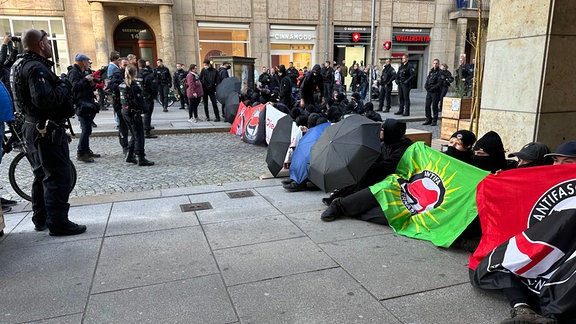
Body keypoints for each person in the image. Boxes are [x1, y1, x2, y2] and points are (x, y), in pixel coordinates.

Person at [11, 29, 86, 235]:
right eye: (47, 41)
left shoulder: (20, 64)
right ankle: (58, 222)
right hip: (43, 129)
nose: (50, 44)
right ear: (41, 44)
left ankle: (41, 217)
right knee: (57, 176)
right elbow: (44, 100)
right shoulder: (36, 68)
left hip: (33, 126)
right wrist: (64, 85)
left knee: (41, 174)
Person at [321, 119, 413, 221]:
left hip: (394, 181)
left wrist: (366, 164)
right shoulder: (387, 143)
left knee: (370, 182)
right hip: (380, 175)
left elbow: (386, 167)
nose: (380, 132)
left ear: (391, 132)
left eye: (383, 130)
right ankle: (343, 194)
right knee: (363, 171)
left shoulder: (403, 149)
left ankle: (340, 206)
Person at [119, 64, 154, 166]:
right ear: (135, 73)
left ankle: (130, 155)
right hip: (133, 113)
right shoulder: (133, 86)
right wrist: (144, 109)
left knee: (134, 135)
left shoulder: (123, 84)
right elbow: (139, 102)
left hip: (125, 112)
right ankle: (140, 157)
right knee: (139, 135)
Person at [68, 54, 101, 163]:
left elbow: (86, 87)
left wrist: (91, 83)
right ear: (81, 62)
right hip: (81, 104)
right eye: (87, 61)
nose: (88, 64)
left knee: (88, 129)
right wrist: (85, 80)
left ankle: (86, 150)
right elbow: (74, 88)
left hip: (88, 103)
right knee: (85, 129)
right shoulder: (74, 72)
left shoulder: (83, 72)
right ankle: (81, 153)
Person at [107, 57, 131, 156]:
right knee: (123, 127)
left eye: (127, 65)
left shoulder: (130, 73)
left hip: (130, 103)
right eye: (124, 65)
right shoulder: (117, 74)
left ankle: (133, 146)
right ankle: (125, 146)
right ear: (120, 65)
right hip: (120, 103)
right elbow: (112, 87)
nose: (126, 67)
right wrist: (123, 85)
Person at [137, 59, 158, 138]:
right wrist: (155, 95)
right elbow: (154, 86)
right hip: (148, 96)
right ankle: (147, 131)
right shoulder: (148, 74)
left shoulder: (137, 74)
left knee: (143, 113)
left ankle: (145, 127)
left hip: (140, 96)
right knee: (148, 113)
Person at [422, 58, 442, 126]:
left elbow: (439, 83)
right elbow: (428, 80)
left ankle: (434, 120)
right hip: (429, 91)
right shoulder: (431, 71)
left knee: (434, 106)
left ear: (438, 64)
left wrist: (433, 88)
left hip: (435, 92)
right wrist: (426, 86)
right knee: (427, 106)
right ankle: (428, 119)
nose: (435, 64)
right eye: (434, 63)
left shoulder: (440, 72)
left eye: (436, 63)